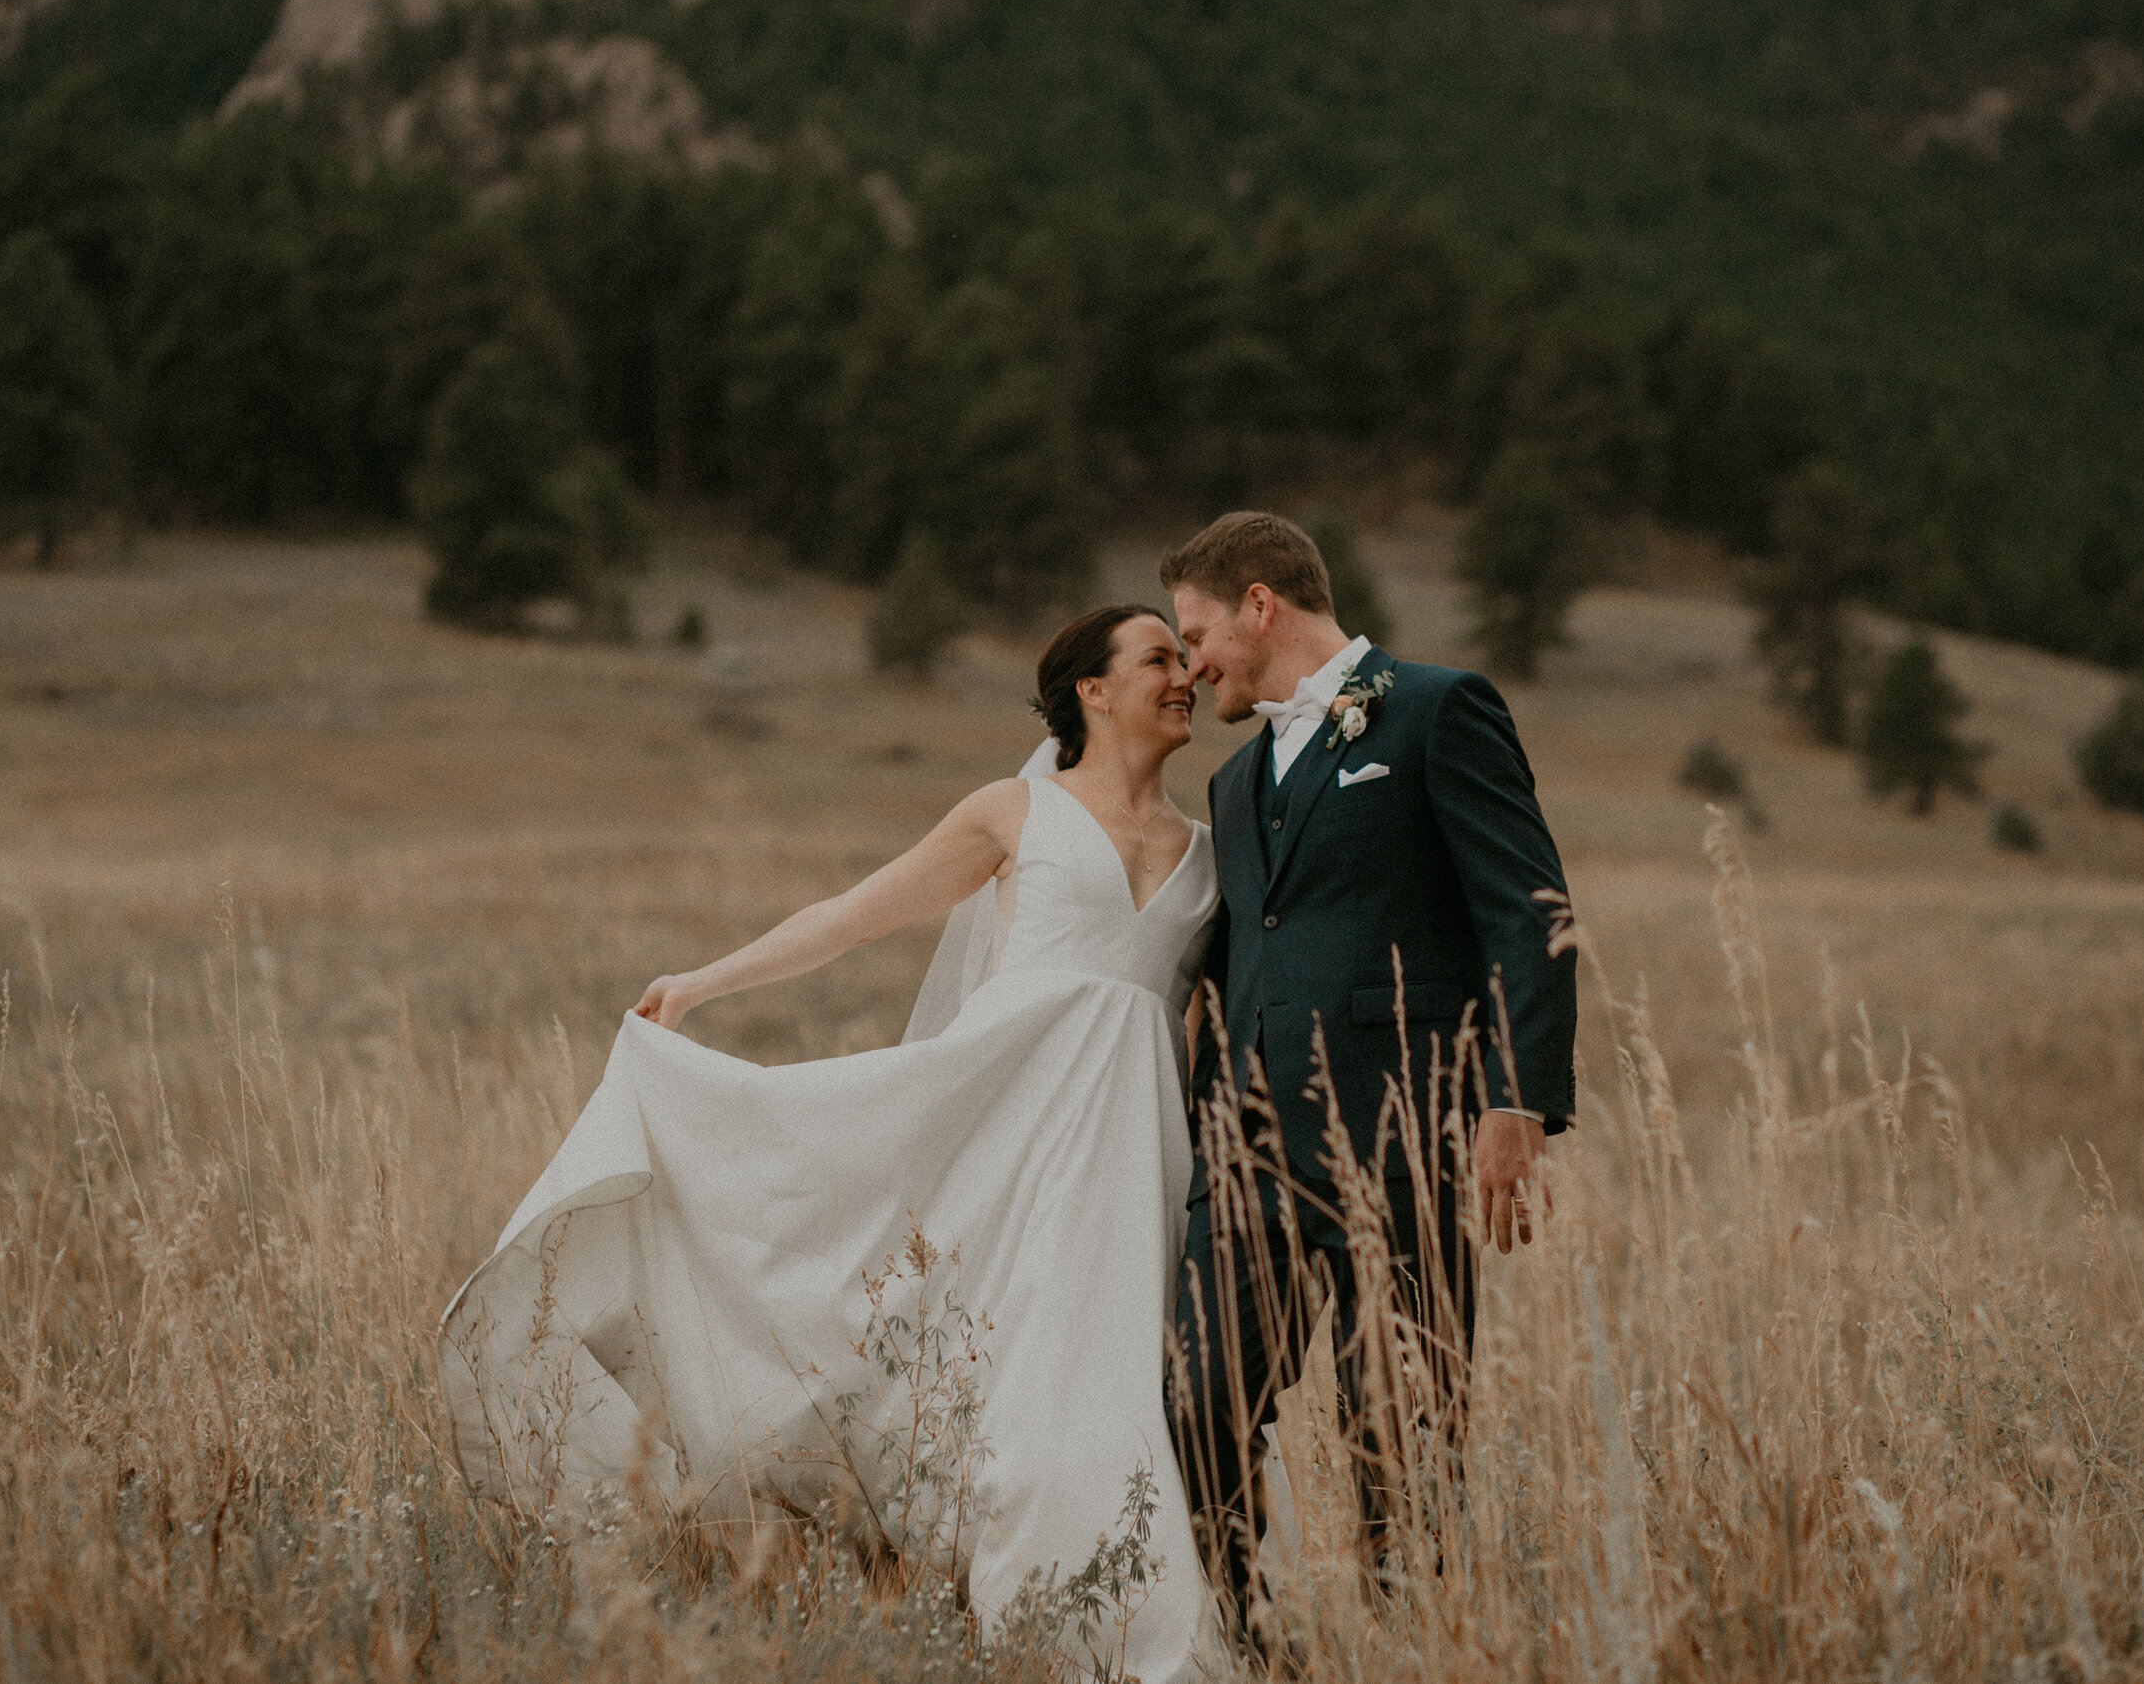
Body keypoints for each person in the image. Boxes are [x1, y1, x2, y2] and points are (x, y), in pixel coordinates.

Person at [440, 606, 1230, 1684]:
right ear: (1093, 689)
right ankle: (1062, 1640)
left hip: (1131, 1157)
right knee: (1035, 1387)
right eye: (1159, 659)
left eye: (1185, 659)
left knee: (1113, 1389)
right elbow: (859, 913)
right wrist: (707, 981)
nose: (1185, 675)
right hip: (1000, 1138)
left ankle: (1107, 1630)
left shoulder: (1210, 852)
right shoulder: (1017, 812)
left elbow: (1199, 1027)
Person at [1161, 511, 1578, 1627]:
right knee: (1194, 1395)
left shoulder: (1439, 710)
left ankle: (1409, 1641)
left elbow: (1527, 910)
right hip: (1243, 1151)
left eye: (1195, 632)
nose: (1190, 663)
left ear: (1261, 602)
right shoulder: (1231, 786)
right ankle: (1244, 1638)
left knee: (1399, 1418)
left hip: (1400, 1134)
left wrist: (1514, 1094)